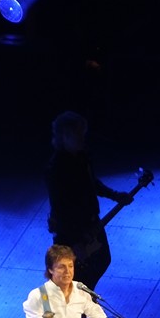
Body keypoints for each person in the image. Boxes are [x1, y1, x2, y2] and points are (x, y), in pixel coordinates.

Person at [45, 110, 132, 291]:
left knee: (101, 259)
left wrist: (115, 195)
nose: (82, 138)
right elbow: (60, 207)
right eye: (78, 134)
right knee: (76, 271)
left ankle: (84, 296)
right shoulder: (56, 168)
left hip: (90, 221)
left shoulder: (82, 157)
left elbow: (92, 183)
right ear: (65, 136)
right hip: (72, 230)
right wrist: (75, 238)